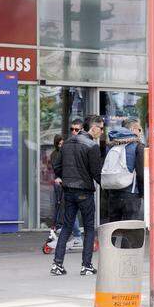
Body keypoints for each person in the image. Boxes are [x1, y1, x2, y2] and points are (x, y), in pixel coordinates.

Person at [51, 115, 104, 276]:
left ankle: (57, 264)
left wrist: (64, 178)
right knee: (88, 228)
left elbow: (57, 166)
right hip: (85, 192)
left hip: (68, 191)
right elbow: (96, 173)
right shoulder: (91, 146)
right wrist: (107, 187)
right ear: (93, 128)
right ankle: (86, 265)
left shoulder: (66, 144)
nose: (101, 132)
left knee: (67, 227)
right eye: (100, 129)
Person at [104, 118, 144, 221]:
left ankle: (114, 238)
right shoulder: (138, 147)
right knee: (130, 230)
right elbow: (140, 174)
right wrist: (142, 193)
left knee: (114, 228)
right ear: (132, 129)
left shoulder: (111, 146)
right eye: (139, 130)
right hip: (131, 194)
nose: (140, 133)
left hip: (113, 194)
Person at [50, 134, 82, 243]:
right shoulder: (56, 154)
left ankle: (75, 233)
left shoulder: (67, 153)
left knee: (69, 209)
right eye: (59, 144)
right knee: (63, 208)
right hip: (62, 184)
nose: (61, 146)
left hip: (68, 184)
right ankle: (66, 230)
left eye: (62, 144)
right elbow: (58, 169)